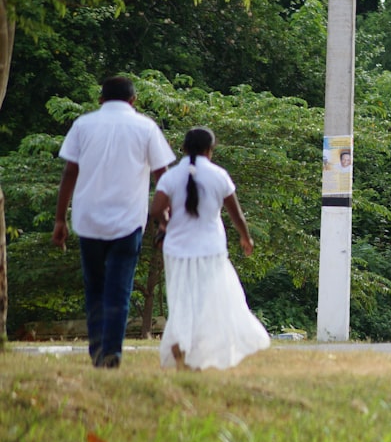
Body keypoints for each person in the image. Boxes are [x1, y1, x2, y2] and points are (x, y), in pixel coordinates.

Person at [52, 75, 176, 369]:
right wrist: (164, 216)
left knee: (94, 287)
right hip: (128, 222)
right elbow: (164, 176)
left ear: (101, 99)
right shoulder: (146, 127)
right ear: (133, 100)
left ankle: (97, 350)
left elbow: (69, 173)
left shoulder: (83, 125)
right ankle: (112, 352)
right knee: (119, 289)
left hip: (88, 220)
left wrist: (60, 219)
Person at [150, 126, 270, 371]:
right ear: (210, 150)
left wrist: (164, 223)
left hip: (177, 249)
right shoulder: (219, 176)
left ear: (183, 149)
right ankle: (199, 352)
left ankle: (181, 344)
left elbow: (155, 209)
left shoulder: (170, 177)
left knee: (181, 299)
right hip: (210, 249)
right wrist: (245, 238)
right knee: (207, 301)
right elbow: (235, 214)